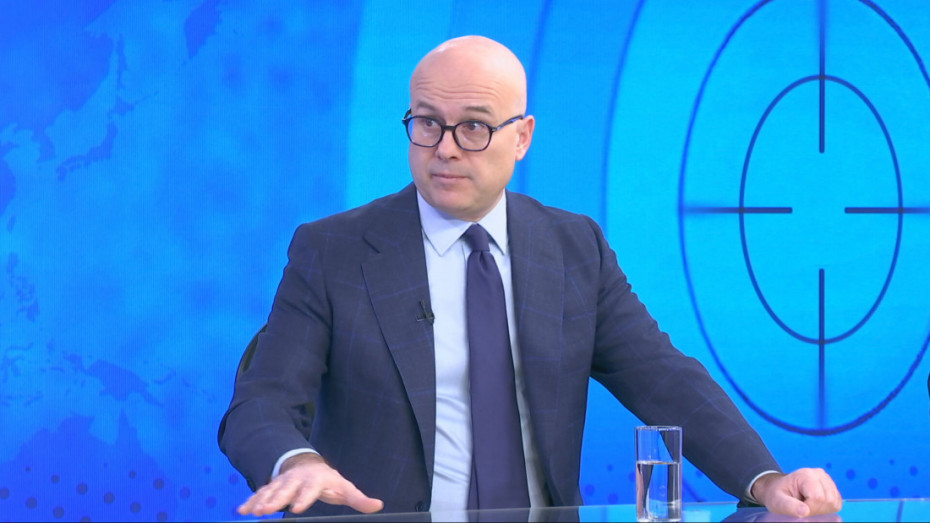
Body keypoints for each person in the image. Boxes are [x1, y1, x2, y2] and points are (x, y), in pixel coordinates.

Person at [218, 35, 843, 519]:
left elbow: (662, 377)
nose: (445, 148)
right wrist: (296, 461)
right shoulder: (334, 250)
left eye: (474, 126)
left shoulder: (573, 247)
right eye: (427, 122)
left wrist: (765, 480)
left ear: (522, 137)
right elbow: (260, 402)